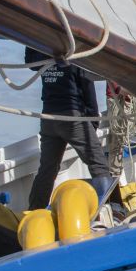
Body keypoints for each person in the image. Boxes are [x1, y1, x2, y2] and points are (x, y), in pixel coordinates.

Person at [25, 54, 116, 211]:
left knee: (47, 170)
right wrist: (93, 123)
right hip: (73, 118)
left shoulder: (43, 55)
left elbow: (30, 62)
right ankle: (109, 210)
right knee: (98, 164)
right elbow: (89, 92)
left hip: (49, 118)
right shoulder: (76, 55)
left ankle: (34, 213)